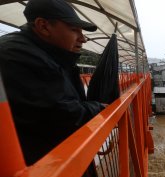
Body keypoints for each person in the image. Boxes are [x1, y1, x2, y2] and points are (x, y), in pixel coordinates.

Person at [0, 0, 105, 166]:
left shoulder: (48, 53)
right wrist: (102, 109)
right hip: (37, 175)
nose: (83, 39)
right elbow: (63, 117)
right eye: (74, 30)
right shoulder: (19, 55)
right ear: (43, 26)